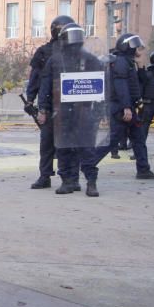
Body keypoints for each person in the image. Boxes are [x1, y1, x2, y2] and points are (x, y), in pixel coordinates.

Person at [37, 23, 107, 196]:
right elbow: (45, 86)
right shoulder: (55, 60)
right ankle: (71, 181)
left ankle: (87, 181)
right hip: (63, 111)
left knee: (83, 147)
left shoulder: (90, 60)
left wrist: (99, 110)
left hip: (82, 111)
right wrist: (43, 109)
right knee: (66, 147)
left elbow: (101, 86)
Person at [97, 33, 154, 180]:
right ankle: (88, 164)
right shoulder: (120, 62)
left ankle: (143, 169)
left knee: (138, 140)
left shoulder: (128, 62)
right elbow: (121, 86)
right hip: (122, 108)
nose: (138, 49)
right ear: (127, 47)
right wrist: (126, 107)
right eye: (135, 46)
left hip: (129, 107)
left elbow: (136, 84)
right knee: (113, 140)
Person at [26, 15, 74, 188]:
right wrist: (30, 99)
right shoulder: (44, 51)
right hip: (49, 102)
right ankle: (45, 176)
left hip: (71, 104)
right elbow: (35, 77)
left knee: (69, 143)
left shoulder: (75, 50)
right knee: (46, 142)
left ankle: (70, 178)